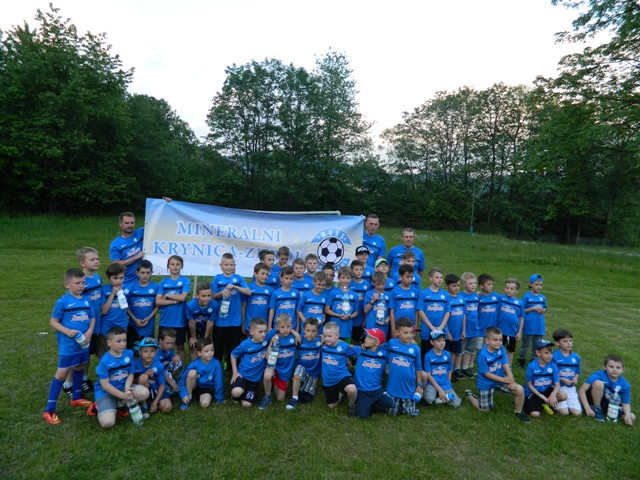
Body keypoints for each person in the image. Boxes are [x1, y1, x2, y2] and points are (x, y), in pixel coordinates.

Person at [43, 268, 95, 424]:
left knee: (80, 366)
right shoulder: (62, 302)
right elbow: (53, 322)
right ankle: (49, 409)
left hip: (83, 342)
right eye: (77, 283)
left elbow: (92, 318)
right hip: (69, 345)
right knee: (62, 374)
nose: (81, 286)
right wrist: (67, 332)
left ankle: (76, 397)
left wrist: (89, 332)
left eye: (83, 283)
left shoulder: (87, 300)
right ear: (67, 284)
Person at [464, 326, 530, 423]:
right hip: (486, 384)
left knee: (519, 389)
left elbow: (505, 365)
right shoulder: (482, 355)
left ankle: (518, 412)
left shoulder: (501, 348)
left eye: (500, 340)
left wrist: (511, 379)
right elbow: (486, 374)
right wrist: (505, 380)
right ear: (487, 340)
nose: (498, 342)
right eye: (495, 340)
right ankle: (470, 396)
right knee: (484, 409)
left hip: (500, 380)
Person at [89, 326, 150, 429]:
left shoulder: (129, 354)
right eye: (118, 341)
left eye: (124, 340)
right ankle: (97, 406)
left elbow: (130, 374)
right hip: (106, 392)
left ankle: (119, 403)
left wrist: (127, 389)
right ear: (109, 343)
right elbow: (105, 385)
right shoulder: (105, 361)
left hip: (122, 388)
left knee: (145, 393)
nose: (122, 344)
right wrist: (122, 395)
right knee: (108, 423)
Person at [211, 253, 251, 368]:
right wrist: (221, 293)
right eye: (226, 265)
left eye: (231, 265)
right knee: (218, 348)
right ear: (221, 266)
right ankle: (216, 369)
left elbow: (248, 292)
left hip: (235, 321)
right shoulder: (217, 278)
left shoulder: (238, 278)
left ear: (235, 266)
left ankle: (232, 370)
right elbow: (213, 296)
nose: (229, 267)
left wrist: (236, 287)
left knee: (233, 348)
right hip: (220, 321)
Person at [73, 247, 101, 394]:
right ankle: (71, 382)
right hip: (85, 324)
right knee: (80, 356)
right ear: (82, 263)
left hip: (97, 323)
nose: (96, 261)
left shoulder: (97, 278)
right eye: (92, 259)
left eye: (97, 259)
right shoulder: (81, 281)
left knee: (88, 354)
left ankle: (84, 378)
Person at [579, 354, 636, 425]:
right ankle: (596, 409)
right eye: (611, 366)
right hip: (593, 397)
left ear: (622, 369)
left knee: (632, 416)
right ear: (604, 367)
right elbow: (582, 390)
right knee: (598, 384)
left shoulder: (625, 384)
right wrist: (587, 408)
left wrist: (627, 415)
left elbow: (626, 403)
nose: (614, 370)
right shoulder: (599, 375)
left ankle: (615, 414)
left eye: (618, 367)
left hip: (608, 402)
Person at [383, 317, 422, 417]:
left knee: (409, 414)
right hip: (393, 388)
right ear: (397, 333)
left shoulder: (415, 349)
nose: (409, 335)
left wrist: (419, 385)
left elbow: (418, 368)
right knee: (392, 413)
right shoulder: (392, 343)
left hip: (408, 388)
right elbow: (379, 348)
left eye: (411, 332)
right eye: (405, 333)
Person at [230, 318, 273, 408]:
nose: (263, 334)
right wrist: (235, 372)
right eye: (260, 332)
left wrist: (294, 334)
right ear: (252, 332)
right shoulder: (245, 344)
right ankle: (236, 394)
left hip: (255, 380)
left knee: (246, 405)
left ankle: (245, 394)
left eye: (265, 331)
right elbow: (233, 354)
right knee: (236, 392)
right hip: (243, 376)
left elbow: (278, 328)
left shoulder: (266, 338)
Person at [259, 314, 299, 409]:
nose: (285, 329)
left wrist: (293, 331)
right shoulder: (275, 338)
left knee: (280, 399)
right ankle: (267, 396)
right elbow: (267, 357)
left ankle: (275, 383)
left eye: (288, 326)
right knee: (267, 375)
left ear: (291, 326)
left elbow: (300, 338)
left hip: (285, 372)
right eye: (282, 327)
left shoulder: (293, 338)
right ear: (277, 327)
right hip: (275, 368)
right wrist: (271, 343)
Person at [155, 255, 190, 364]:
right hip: (165, 321)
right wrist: (175, 301)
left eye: (178, 264)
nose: (175, 267)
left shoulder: (185, 281)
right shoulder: (163, 282)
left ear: (182, 266)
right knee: (162, 346)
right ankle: (162, 369)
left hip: (179, 321)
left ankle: (182, 369)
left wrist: (167, 295)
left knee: (180, 347)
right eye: (172, 264)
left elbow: (183, 297)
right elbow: (158, 301)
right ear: (168, 266)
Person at [352, 328, 393, 418]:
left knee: (389, 402)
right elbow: (345, 345)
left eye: (370, 337)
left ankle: (372, 406)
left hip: (376, 389)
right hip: (362, 390)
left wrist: (411, 341)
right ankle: (365, 405)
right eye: (367, 336)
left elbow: (395, 344)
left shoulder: (384, 353)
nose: (366, 339)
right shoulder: (361, 350)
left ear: (377, 343)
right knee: (363, 416)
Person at [320, 321, 358, 415]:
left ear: (337, 335)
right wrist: (321, 336)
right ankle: (342, 392)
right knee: (331, 406)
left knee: (352, 389)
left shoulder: (344, 347)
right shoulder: (322, 345)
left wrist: (350, 363)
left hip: (342, 376)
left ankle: (352, 404)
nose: (327, 338)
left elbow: (354, 356)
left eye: (330, 336)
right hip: (329, 380)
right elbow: (312, 336)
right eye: (325, 336)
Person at [523, 339, 566, 418]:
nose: (550, 356)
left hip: (546, 390)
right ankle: (531, 403)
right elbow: (529, 384)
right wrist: (540, 395)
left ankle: (545, 403)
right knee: (535, 414)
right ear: (538, 353)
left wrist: (553, 394)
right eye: (546, 353)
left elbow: (557, 384)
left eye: (551, 353)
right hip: (533, 393)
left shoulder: (553, 366)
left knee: (563, 395)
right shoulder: (532, 366)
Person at [179, 337, 224, 410]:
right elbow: (182, 379)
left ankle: (203, 397)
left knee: (204, 404)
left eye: (212, 350)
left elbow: (219, 381)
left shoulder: (216, 363)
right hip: (194, 385)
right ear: (199, 353)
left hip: (206, 389)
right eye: (206, 351)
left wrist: (219, 399)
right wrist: (184, 394)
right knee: (192, 373)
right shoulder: (194, 364)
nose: (210, 353)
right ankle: (188, 398)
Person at [287, 318, 323, 409]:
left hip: (313, 372)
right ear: (303, 330)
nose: (310, 333)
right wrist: (296, 334)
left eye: (313, 331)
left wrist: (322, 336)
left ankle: (301, 386)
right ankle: (294, 398)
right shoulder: (299, 340)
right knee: (297, 375)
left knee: (305, 398)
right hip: (302, 367)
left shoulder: (320, 341)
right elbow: (286, 330)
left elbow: (334, 340)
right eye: (308, 330)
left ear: (317, 331)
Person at [124, 259, 159, 350]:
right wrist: (134, 319)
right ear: (137, 273)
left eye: (148, 272)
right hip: (133, 326)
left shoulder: (156, 287)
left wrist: (149, 318)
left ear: (152, 273)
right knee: (134, 351)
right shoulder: (130, 287)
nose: (145, 275)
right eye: (142, 272)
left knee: (148, 351)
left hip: (149, 326)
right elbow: (125, 306)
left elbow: (157, 306)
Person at [422, 330, 461, 408]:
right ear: (432, 342)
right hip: (432, 383)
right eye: (438, 341)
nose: (442, 343)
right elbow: (428, 375)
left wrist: (448, 383)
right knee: (429, 399)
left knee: (457, 404)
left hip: (445, 383)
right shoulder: (428, 356)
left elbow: (449, 370)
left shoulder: (447, 355)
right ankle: (438, 394)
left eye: (443, 340)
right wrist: (439, 389)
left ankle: (439, 397)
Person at [133, 336, 172, 415]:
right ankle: (144, 404)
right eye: (145, 351)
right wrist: (145, 374)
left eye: (152, 351)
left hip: (156, 390)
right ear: (140, 352)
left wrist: (156, 401)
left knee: (167, 407)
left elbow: (162, 385)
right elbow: (132, 381)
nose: (149, 354)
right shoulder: (135, 365)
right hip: (144, 390)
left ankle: (153, 403)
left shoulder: (159, 366)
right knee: (143, 377)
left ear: (156, 352)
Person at [517, 273, 547, 369]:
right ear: (531, 284)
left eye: (540, 285)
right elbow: (522, 310)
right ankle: (521, 360)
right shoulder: (526, 296)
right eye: (536, 284)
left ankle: (533, 360)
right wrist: (533, 308)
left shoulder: (542, 297)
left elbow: (545, 308)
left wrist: (543, 310)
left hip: (539, 326)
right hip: (529, 326)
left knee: (537, 345)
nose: (538, 287)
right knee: (525, 344)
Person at [99, 263, 128, 357]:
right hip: (107, 327)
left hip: (121, 326)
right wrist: (112, 294)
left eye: (121, 277)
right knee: (105, 356)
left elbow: (127, 308)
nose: (118, 281)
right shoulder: (103, 290)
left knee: (120, 354)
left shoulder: (126, 289)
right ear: (108, 277)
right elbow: (104, 311)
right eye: (115, 278)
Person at [417, 267, 449, 354]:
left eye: (441, 277)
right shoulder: (423, 293)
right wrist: (431, 327)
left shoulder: (445, 294)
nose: (440, 279)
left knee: (439, 354)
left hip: (441, 330)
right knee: (426, 354)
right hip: (427, 330)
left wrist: (441, 327)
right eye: (437, 277)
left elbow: (448, 312)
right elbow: (420, 311)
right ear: (430, 278)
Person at [552, 328, 582, 416]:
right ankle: (551, 401)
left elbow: (577, 371)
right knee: (564, 413)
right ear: (557, 343)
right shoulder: (554, 356)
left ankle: (567, 401)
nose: (569, 343)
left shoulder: (576, 357)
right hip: (557, 387)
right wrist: (562, 379)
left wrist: (575, 379)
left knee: (577, 413)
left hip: (570, 387)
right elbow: (551, 374)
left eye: (570, 340)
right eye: (565, 341)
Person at [109, 212, 145, 284]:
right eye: (127, 223)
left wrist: (164, 205)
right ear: (120, 224)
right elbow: (116, 264)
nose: (130, 225)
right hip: (126, 281)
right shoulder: (115, 244)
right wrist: (135, 257)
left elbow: (154, 224)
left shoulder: (140, 233)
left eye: (132, 223)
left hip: (143, 279)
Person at [442, 273, 465, 380]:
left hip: (458, 333)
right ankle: (447, 372)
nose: (456, 288)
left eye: (458, 286)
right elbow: (444, 318)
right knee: (446, 353)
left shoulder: (461, 299)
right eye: (454, 286)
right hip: (448, 333)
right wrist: (447, 332)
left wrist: (463, 330)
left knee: (455, 352)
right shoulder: (446, 299)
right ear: (447, 286)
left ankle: (452, 370)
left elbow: (464, 315)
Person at [186, 282, 218, 362]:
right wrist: (193, 337)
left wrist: (205, 338)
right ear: (197, 295)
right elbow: (191, 322)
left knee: (205, 347)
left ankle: (205, 365)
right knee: (193, 347)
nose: (206, 298)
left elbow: (210, 322)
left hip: (205, 328)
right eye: (203, 296)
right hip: (194, 328)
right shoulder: (190, 305)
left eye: (209, 296)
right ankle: (194, 366)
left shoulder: (214, 305)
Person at [325, 266, 358, 343]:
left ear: (351, 279)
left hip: (347, 328)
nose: (345, 280)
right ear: (338, 278)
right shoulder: (333, 293)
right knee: (332, 347)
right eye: (343, 277)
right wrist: (338, 315)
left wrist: (350, 316)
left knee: (345, 348)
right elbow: (327, 310)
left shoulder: (354, 295)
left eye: (348, 278)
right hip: (334, 327)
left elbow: (356, 312)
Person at [497, 278, 524, 366]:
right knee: (497, 348)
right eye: (507, 288)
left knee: (510, 350)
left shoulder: (520, 303)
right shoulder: (500, 298)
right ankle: (497, 365)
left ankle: (508, 366)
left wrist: (519, 332)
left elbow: (521, 317)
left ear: (517, 291)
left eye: (512, 289)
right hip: (500, 330)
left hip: (512, 331)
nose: (509, 290)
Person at [459, 272, 481, 378]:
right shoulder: (460, 296)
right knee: (461, 349)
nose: (473, 285)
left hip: (474, 327)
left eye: (474, 283)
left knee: (470, 349)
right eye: (470, 283)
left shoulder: (476, 296)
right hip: (463, 328)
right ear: (464, 284)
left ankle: (465, 367)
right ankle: (457, 368)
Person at [389, 264, 420, 336]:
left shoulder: (416, 292)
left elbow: (416, 312)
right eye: (407, 277)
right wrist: (393, 329)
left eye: (411, 277)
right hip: (398, 326)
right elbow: (392, 311)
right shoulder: (394, 291)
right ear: (400, 276)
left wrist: (415, 327)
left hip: (410, 326)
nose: (410, 279)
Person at [242, 262, 273, 335]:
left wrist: (269, 325)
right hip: (250, 325)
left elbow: (271, 310)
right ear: (255, 274)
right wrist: (243, 323)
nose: (265, 276)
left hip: (264, 326)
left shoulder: (270, 290)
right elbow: (243, 305)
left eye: (267, 274)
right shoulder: (248, 288)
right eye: (262, 273)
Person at [268, 266, 300, 331]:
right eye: (286, 278)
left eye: (291, 278)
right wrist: (269, 326)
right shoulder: (275, 293)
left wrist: (298, 327)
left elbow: (298, 311)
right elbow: (272, 310)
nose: (289, 281)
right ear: (281, 278)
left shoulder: (296, 293)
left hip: (292, 326)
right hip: (278, 326)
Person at [363, 271, 392, 339]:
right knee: (369, 343)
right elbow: (365, 310)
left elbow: (392, 312)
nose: (381, 286)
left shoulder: (389, 295)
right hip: (371, 326)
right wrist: (372, 300)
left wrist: (386, 320)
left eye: (383, 284)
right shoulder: (369, 294)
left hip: (383, 327)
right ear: (373, 283)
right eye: (378, 284)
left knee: (382, 344)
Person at [155, 327, 181, 396]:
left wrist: (177, 356)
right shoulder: (155, 352)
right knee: (169, 392)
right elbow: (160, 370)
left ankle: (176, 380)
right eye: (167, 343)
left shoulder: (169, 349)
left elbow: (172, 361)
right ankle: (168, 383)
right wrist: (173, 383)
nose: (170, 346)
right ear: (160, 340)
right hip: (157, 374)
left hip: (166, 370)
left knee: (178, 362)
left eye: (172, 343)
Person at [349, 259, 370, 343]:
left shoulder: (366, 285)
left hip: (361, 317)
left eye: (361, 269)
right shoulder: (349, 283)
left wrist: (365, 319)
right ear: (351, 271)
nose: (359, 272)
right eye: (356, 269)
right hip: (350, 316)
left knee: (358, 341)